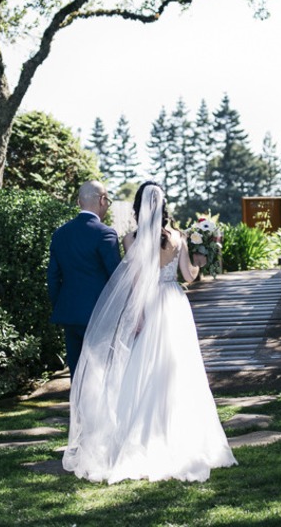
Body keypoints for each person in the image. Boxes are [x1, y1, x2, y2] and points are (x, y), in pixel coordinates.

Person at [63, 181, 238, 483]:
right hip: (174, 303)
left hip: (148, 304)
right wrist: (201, 261)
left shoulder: (131, 239)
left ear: (138, 205)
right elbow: (189, 276)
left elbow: (135, 281)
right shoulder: (179, 237)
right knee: (178, 368)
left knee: (143, 371)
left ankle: (139, 437)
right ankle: (179, 433)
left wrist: (137, 314)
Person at [47, 180, 122, 380]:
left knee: (77, 374)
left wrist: (61, 306)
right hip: (101, 315)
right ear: (102, 200)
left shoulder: (60, 234)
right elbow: (116, 278)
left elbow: (53, 278)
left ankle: (79, 411)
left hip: (70, 314)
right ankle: (100, 412)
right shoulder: (106, 233)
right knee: (102, 374)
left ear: (79, 202)